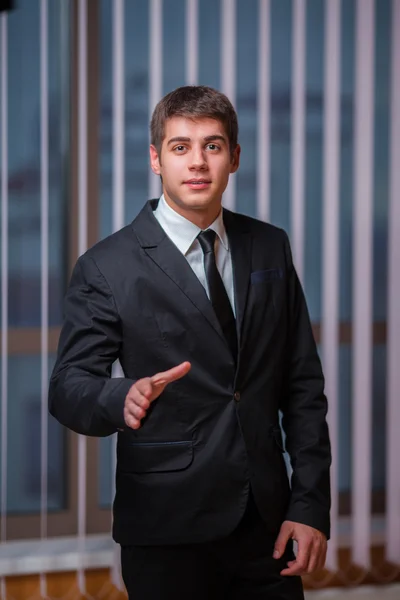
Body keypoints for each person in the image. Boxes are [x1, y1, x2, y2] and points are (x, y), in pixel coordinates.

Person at [49, 85, 331, 600]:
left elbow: (303, 386)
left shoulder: (269, 245)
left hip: (266, 524)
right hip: (166, 529)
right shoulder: (107, 266)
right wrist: (121, 396)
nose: (197, 162)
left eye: (212, 146)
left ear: (234, 158)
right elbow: (67, 387)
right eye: (180, 147)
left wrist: (309, 506)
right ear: (156, 159)